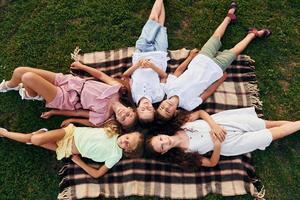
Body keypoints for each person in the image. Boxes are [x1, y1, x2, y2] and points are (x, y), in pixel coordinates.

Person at [157, 1, 271, 121]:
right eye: (167, 112)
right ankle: (253, 34)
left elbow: (179, 70)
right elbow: (207, 92)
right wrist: (220, 80)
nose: (166, 108)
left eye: (161, 108)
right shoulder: (188, 105)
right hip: (215, 70)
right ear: (174, 113)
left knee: (216, 37)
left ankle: (229, 16)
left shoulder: (168, 88)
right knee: (235, 52)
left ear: (161, 103)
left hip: (201, 60)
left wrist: (190, 57)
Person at [145, 107, 300, 168]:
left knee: (266, 125)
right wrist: (217, 145)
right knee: (269, 135)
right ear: (164, 152)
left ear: (160, 135)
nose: (165, 142)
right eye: (162, 146)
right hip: (229, 144)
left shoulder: (178, 125)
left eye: (160, 139)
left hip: (223, 123)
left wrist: (214, 126)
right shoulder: (183, 156)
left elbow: (200, 113)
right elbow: (212, 163)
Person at [0, 62, 137, 128]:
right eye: (128, 115)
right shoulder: (118, 89)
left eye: (123, 119)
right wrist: (82, 67)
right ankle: (8, 86)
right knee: (19, 71)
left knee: (28, 77)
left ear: (118, 121)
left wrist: (55, 112)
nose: (123, 114)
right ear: (131, 109)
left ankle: (34, 95)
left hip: (66, 99)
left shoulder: (103, 116)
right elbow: (100, 75)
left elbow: (77, 114)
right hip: (70, 82)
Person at [0, 123, 144, 178]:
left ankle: (40, 134)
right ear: (127, 133)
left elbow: (97, 174)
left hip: (67, 150)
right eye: (127, 137)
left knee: (34, 140)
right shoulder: (113, 129)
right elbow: (91, 124)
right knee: (34, 140)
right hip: (70, 133)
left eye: (127, 144)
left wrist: (79, 162)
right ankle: (4, 133)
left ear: (129, 151)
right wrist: (72, 118)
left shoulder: (115, 155)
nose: (124, 141)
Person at [123, 0, 168, 125]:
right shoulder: (159, 96)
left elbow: (125, 76)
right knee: (160, 27)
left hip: (141, 54)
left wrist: (137, 64)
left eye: (143, 109)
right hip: (159, 55)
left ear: (137, 110)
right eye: (149, 109)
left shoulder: (132, 96)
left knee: (153, 19)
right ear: (154, 110)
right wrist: (152, 66)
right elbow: (164, 76)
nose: (146, 106)